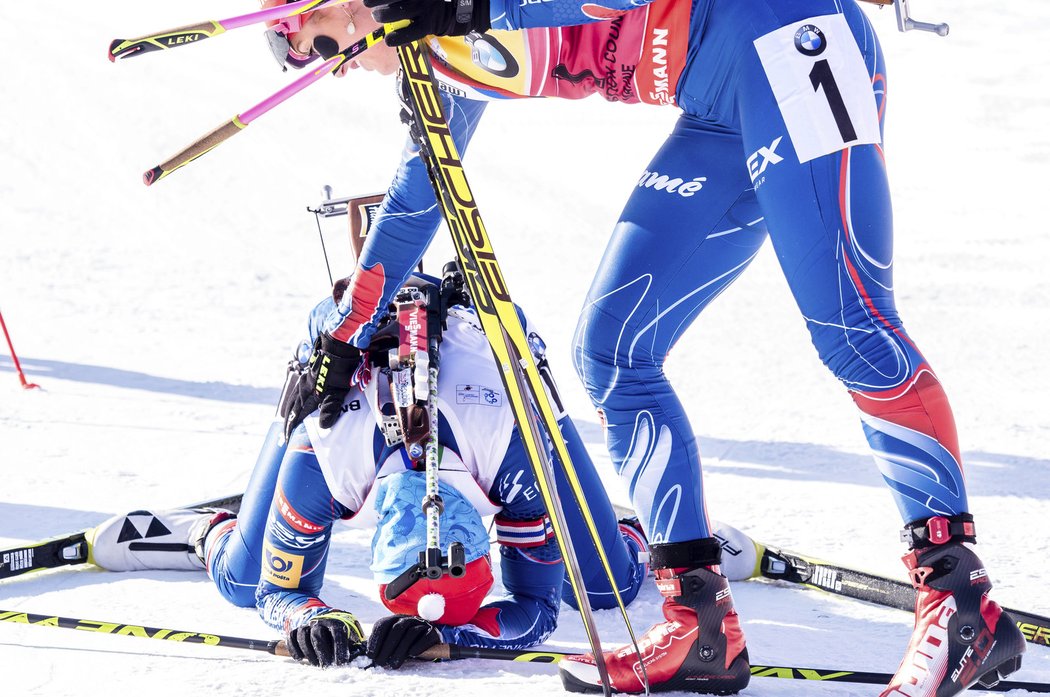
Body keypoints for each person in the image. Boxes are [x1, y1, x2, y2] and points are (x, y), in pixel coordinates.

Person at [260, 0, 1028, 694]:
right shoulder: (433, 48)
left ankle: (961, 607)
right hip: (716, 106)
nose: (324, 67)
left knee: (853, 329)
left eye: (309, 41)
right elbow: (414, 199)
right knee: (613, 348)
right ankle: (698, 622)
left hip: (787, 40)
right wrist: (343, 334)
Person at [87, 267, 649, 669]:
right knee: (243, 577)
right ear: (483, 539)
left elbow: (537, 606)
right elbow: (534, 609)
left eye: (401, 533)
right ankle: (208, 533)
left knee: (604, 588)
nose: (420, 521)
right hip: (363, 404)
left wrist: (310, 619)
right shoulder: (334, 458)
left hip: (487, 420)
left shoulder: (338, 465)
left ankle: (628, 533)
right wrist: (307, 615)